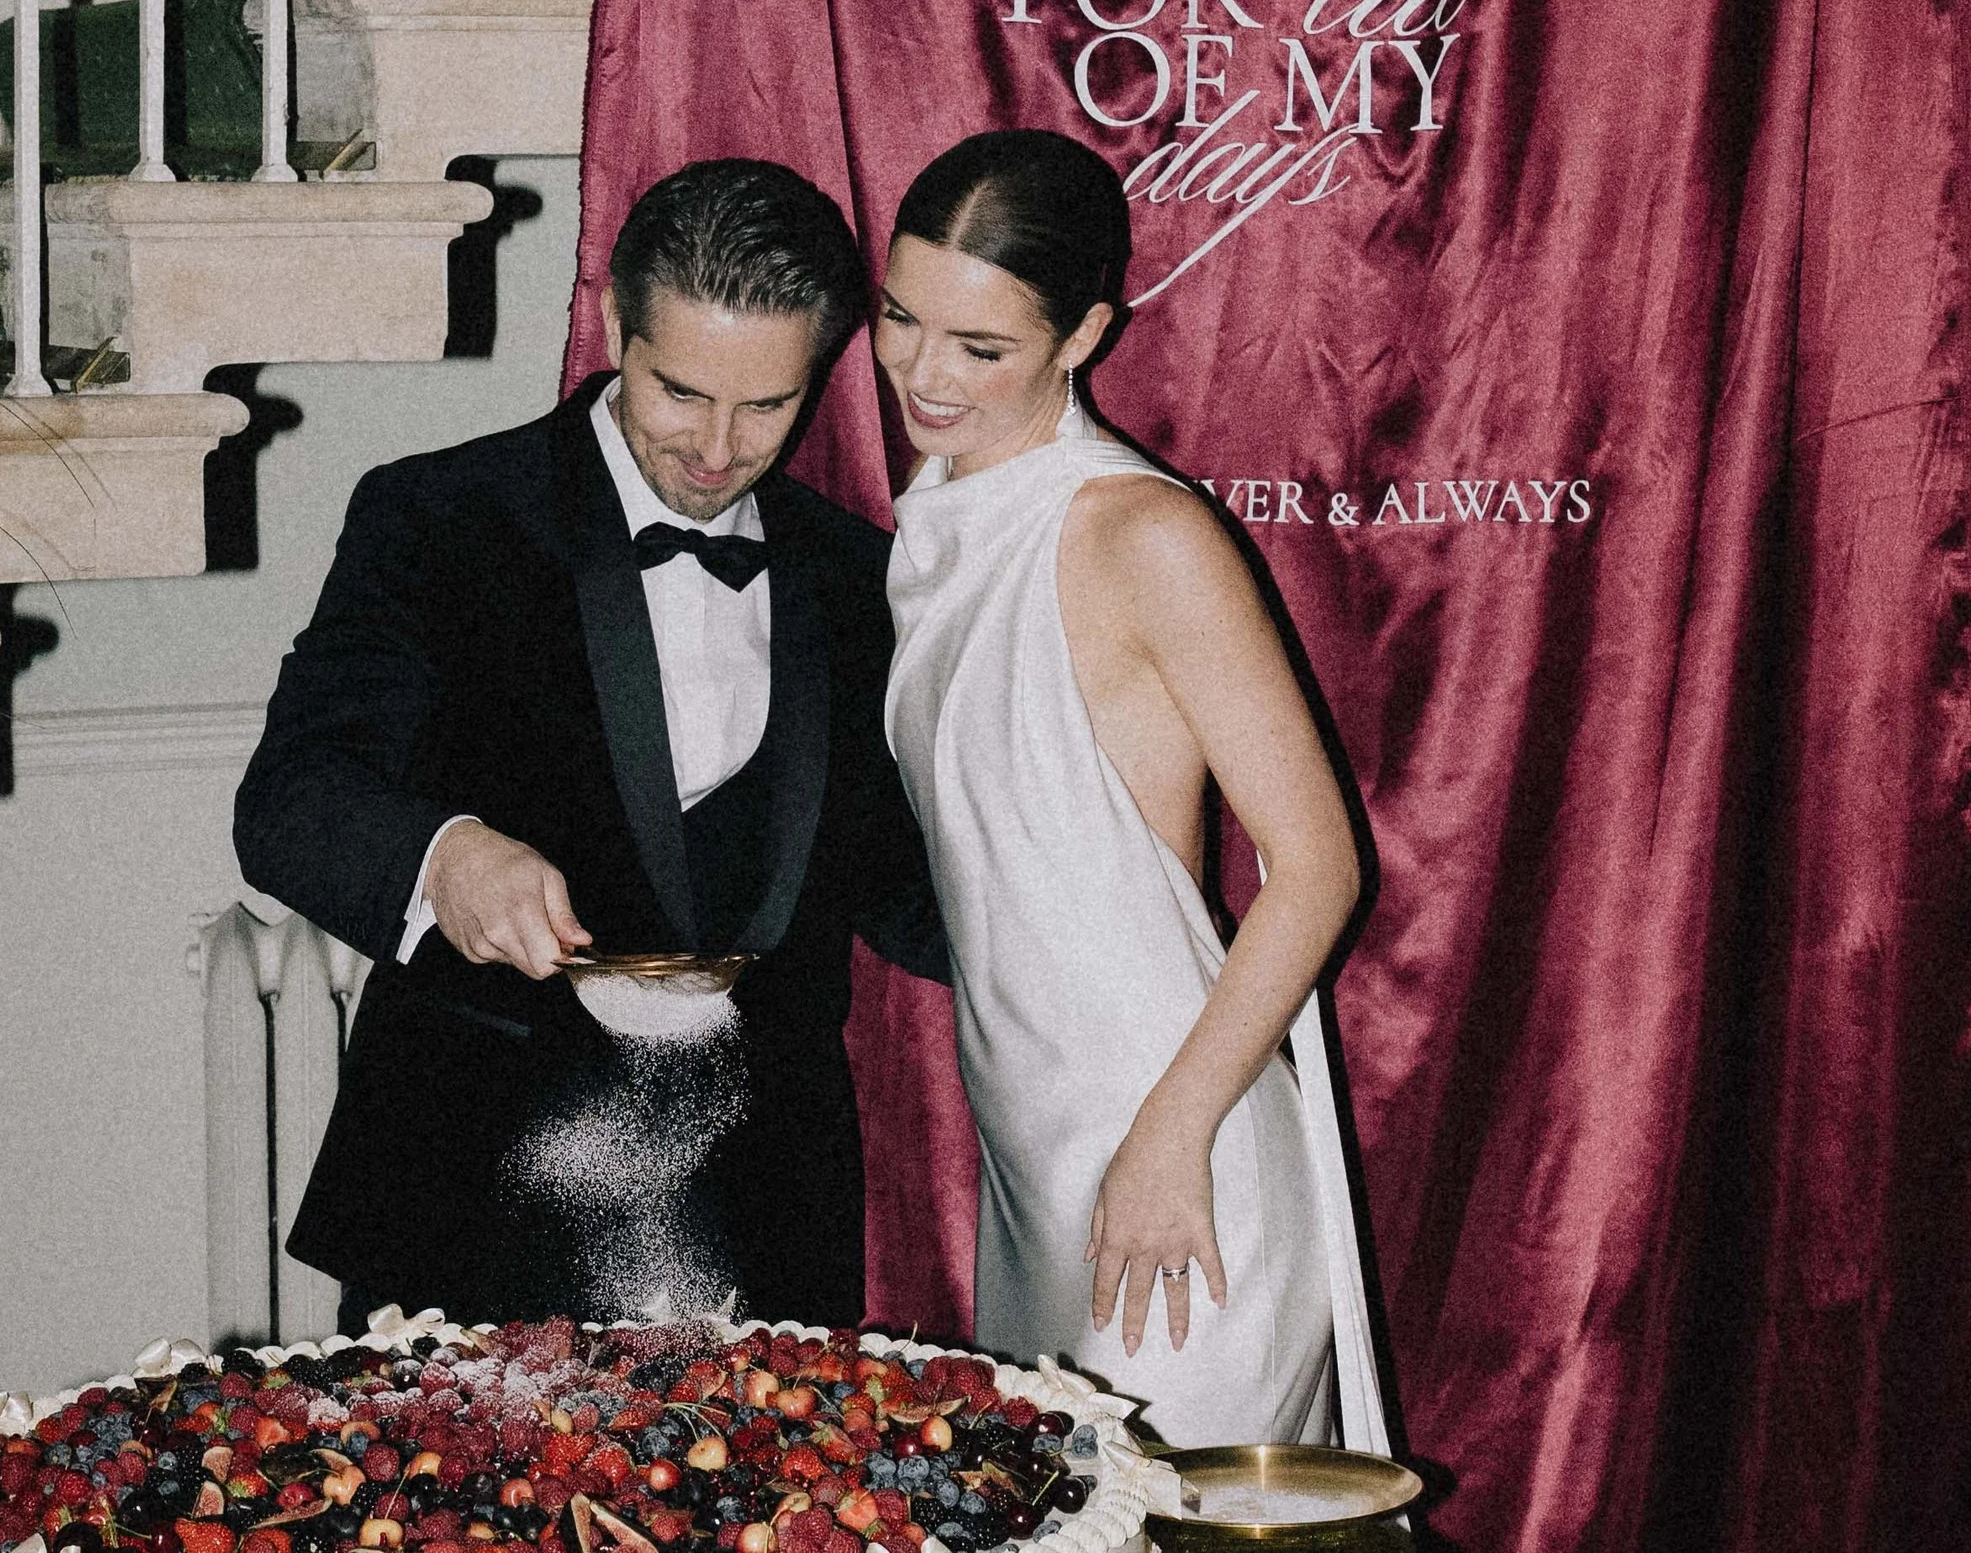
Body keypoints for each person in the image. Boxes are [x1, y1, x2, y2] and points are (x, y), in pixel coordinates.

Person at [236, 158, 941, 1332]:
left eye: (767, 405)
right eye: (679, 392)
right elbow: (292, 800)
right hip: (476, 1203)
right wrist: (445, 856)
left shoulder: (861, 577)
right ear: (613, 323)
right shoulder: (440, 516)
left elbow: (903, 887)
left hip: (764, 1223)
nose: (716, 449)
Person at [877, 130, 1366, 1444]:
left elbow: (1319, 867)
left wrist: (1171, 1139)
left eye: (980, 349)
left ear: (1084, 334)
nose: (924, 374)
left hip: (1183, 1179)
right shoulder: (934, 524)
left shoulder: (1142, 533)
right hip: (1038, 1169)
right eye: (901, 317)